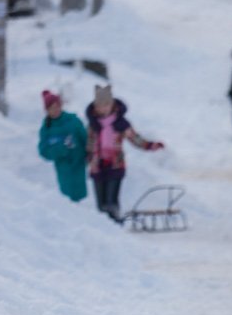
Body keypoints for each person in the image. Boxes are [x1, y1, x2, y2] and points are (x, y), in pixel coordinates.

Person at [85, 85, 164, 222]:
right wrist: (86, 157)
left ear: (112, 104)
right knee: (101, 205)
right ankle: (104, 231)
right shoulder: (93, 124)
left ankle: (116, 226)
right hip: (97, 167)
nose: (102, 108)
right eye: (99, 106)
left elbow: (135, 139)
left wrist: (150, 145)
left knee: (111, 202)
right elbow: (89, 144)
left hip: (115, 165)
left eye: (106, 105)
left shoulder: (120, 123)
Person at [36, 90, 88, 203]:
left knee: (79, 197)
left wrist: (89, 156)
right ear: (47, 110)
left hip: (78, 164)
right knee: (66, 199)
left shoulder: (73, 121)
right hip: (63, 168)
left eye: (56, 106)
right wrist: (62, 148)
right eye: (51, 108)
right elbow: (43, 151)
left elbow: (85, 139)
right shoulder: (46, 128)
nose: (55, 110)